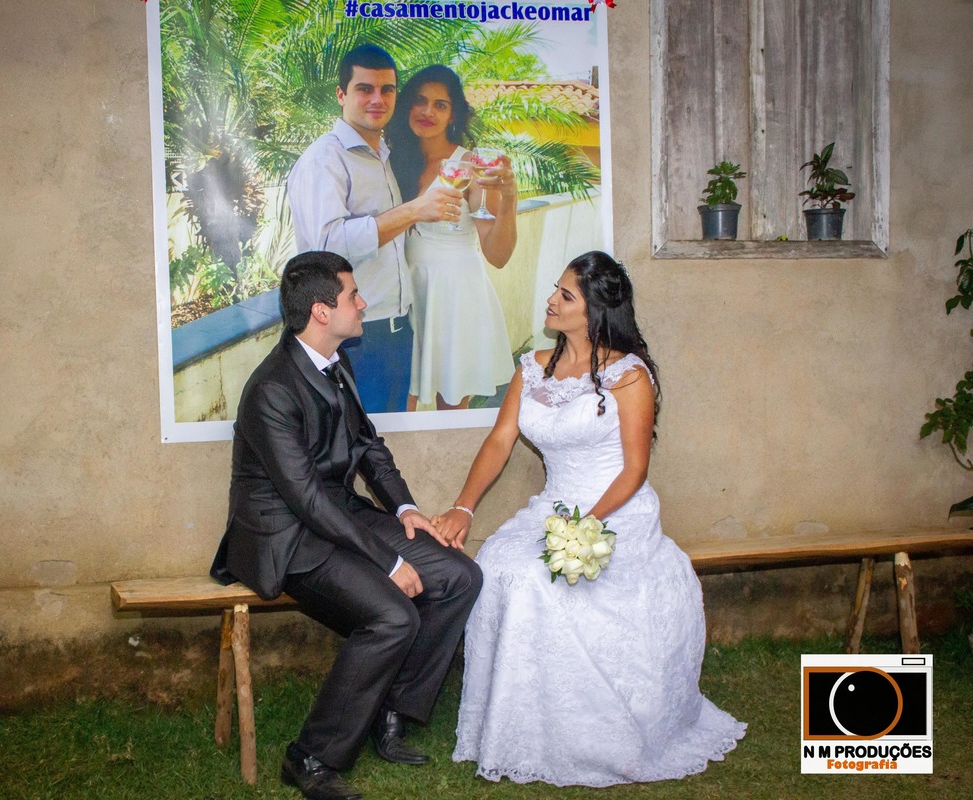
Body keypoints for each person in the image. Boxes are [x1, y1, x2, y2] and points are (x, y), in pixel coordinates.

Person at [433, 251, 745, 786]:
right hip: (554, 505)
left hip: (616, 509)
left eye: (565, 295)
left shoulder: (628, 375)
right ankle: (519, 724)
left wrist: (586, 526)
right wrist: (463, 506)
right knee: (500, 564)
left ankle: (589, 730)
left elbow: (635, 469)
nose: (551, 301)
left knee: (540, 580)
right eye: (555, 290)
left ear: (595, 309)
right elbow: (501, 439)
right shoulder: (533, 367)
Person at [210, 251, 483, 800]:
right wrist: (390, 560)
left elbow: (368, 447)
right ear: (321, 311)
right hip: (287, 536)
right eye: (353, 296)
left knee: (460, 577)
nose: (363, 303)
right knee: (393, 616)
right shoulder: (271, 390)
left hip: (338, 515)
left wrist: (405, 510)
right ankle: (310, 758)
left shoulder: (337, 362)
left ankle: (390, 711)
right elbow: (306, 499)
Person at [287, 45, 462, 414]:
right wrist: (414, 210)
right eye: (364, 89)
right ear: (341, 94)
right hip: (354, 338)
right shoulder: (326, 158)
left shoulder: (381, 155)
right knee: (353, 442)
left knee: (387, 442)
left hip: (394, 332)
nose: (377, 99)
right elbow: (327, 247)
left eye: (387, 90)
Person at [386, 65, 517, 411]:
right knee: (398, 402)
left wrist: (509, 199)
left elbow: (498, 255)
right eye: (420, 101)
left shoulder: (470, 167)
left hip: (455, 297)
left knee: (451, 407)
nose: (427, 111)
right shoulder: (392, 161)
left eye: (440, 105)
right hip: (404, 293)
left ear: (453, 115)